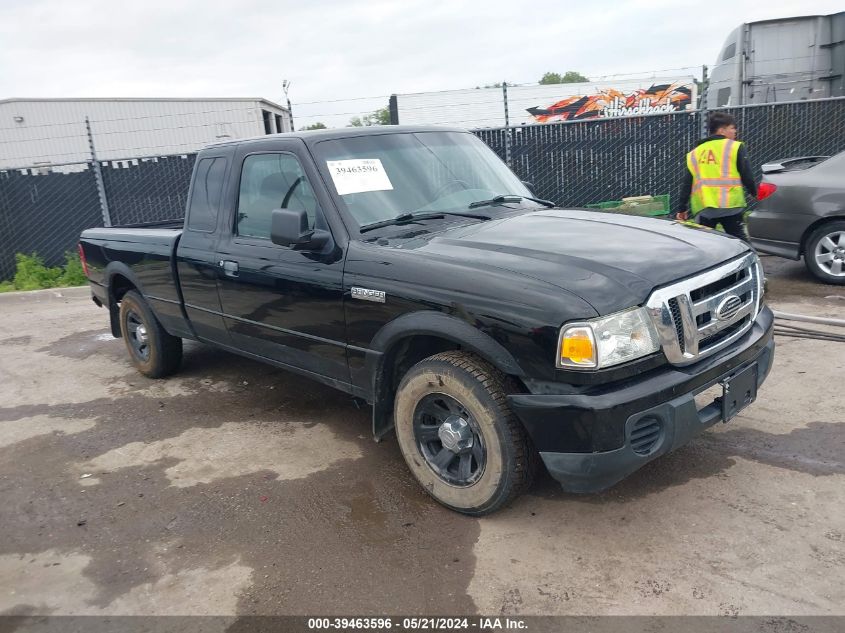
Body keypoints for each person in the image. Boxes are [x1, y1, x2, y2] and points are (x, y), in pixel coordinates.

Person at [676, 112, 757, 241]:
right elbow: (746, 174)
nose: (735, 131)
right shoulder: (734, 147)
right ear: (722, 130)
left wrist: (682, 208)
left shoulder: (695, 152)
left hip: (705, 208)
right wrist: (754, 192)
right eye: (732, 128)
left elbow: (688, 182)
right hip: (731, 206)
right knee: (740, 241)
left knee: (707, 243)